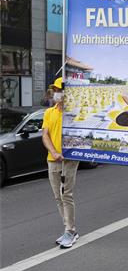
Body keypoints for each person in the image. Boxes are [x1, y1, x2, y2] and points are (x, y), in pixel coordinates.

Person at [42, 77, 80, 249]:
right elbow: (45, 136)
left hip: (69, 160)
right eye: (55, 90)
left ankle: (70, 232)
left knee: (66, 195)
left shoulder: (73, 112)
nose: (56, 93)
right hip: (53, 160)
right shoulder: (49, 112)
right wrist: (54, 152)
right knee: (58, 197)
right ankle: (68, 229)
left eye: (59, 90)